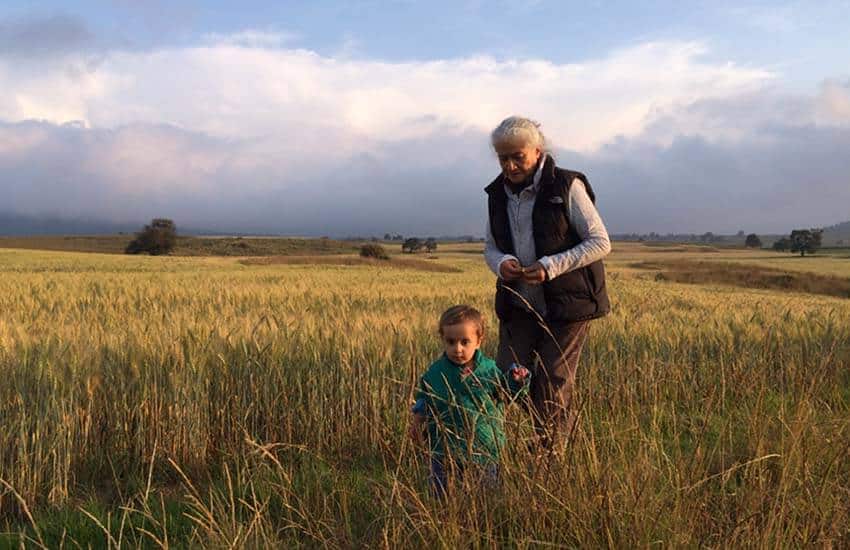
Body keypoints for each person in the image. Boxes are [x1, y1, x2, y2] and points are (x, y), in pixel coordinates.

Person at [483, 116, 611, 453]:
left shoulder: (567, 186)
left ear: (537, 151)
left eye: (517, 157)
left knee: (554, 380)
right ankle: (556, 428)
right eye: (503, 158)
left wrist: (550, 266)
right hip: (520, 301)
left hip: (568, 303)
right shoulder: (497, 194)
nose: (509, 166)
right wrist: (501, 263)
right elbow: (490, 246)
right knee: (509, 377)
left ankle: (550, 453)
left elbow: (600, 242)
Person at [409, 305, 530, 497]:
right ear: (442, 339)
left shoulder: (489, 370)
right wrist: (417, 422)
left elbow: (508, 394)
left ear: (479, 341)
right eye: (450, 342)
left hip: (484, 448)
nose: (457, 349)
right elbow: (424, 398)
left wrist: (517, 379)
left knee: (485, 496)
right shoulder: (435, 372)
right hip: (444, 448)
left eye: (465, 342)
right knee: (441, 495)